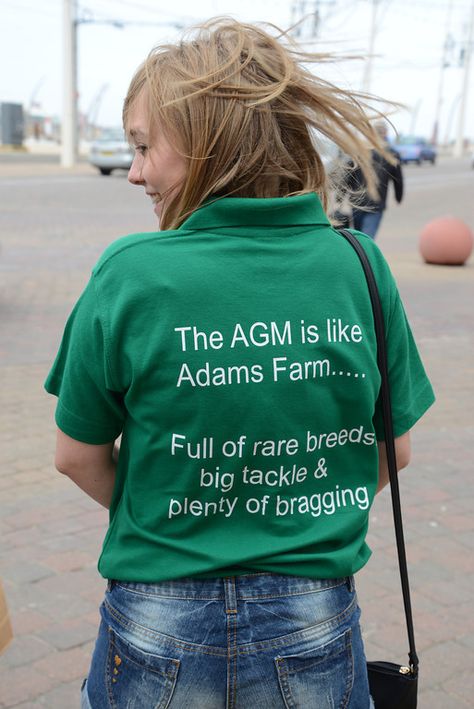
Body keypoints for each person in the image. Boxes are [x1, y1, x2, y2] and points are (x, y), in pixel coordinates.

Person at [45, 18, 434, 708]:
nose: (133, 171)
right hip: (313, 616)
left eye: (142, 148)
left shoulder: (129, 273)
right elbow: (393, 448)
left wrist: (188, 514)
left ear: (204, 142)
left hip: (157, 615)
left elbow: (77, 454)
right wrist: (296, 511)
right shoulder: (358, 265)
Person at [348, 121, 404, 239]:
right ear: (385, 133)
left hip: (357, 202)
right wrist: (398, 197)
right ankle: (364, 256)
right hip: (375, 204)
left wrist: (341, 195)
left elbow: (348, 173)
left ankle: (361, 256)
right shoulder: (391, 153)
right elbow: (398, 179)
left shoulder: (359, 150)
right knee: (366, 239)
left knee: (360, 238)